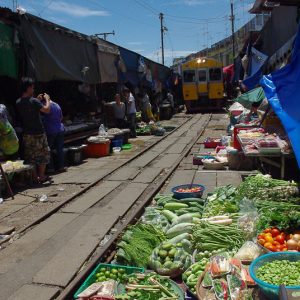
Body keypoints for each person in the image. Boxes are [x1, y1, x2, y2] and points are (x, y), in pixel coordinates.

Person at [16, 78, 51, 183]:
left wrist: (37, 100)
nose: (33, 89)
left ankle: (35, 177)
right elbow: (47, 110)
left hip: (27, 133)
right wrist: (47, 100)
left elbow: (30, 107)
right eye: (32, 87)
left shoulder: (18, 102)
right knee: (43, 154)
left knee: (30, 156)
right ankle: (42, 176)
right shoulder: (34, 101)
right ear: (28, 88)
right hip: (38, 132)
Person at [38, 95, 65, 173]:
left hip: (50, 130)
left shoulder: (46, 106)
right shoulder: (56, 105)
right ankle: (61, 167)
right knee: (60, 149)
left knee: (48, 150)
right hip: (60, 129)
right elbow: (61, 117)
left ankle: (51, 168)